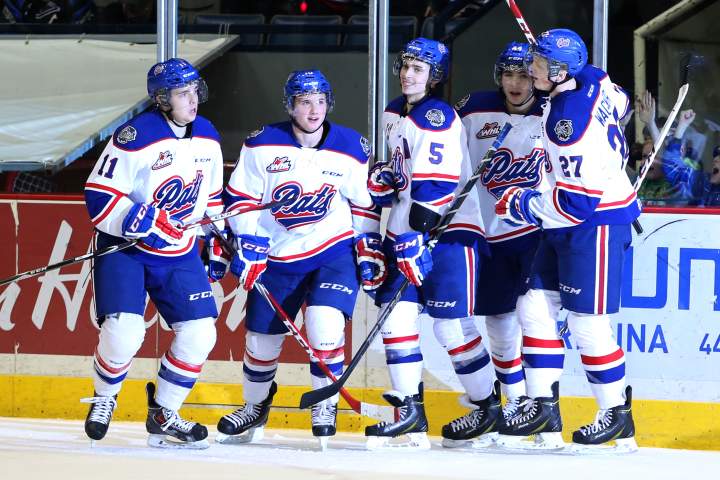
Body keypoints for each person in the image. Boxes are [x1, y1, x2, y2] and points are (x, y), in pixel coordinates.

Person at [216, 69, 383, 449]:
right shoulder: (262, 143)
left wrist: (368, 243)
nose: (314, 110)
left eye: (320, 101)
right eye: (305, 102)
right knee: (261, 342)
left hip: (332, 251)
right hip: (276, 255)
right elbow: (240, 200)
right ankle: (255, 406)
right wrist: (248, 240)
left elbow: (363, 203)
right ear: (290, 106)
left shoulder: (351, 146)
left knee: (325, 326)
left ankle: (325, 405)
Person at [494, 29, 640, 452]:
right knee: (534, 306)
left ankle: (616, 414)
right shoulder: (595, 78)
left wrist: (521, 202)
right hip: (570, 220)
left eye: (540, 64)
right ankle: (543, 406)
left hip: (595, 223)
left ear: (561, 72)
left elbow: (576, 204)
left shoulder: (567, 125)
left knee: (587, 324)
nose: (531, 69)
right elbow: (623, 101)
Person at [82, 58, 225, 449]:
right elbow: (99, 195)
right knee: (124, 334)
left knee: (200, 333)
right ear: (162, 99)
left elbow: (212, 198)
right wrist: (136, 220)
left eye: (195, 91)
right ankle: (104, 397)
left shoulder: (208, 134)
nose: (193, 100)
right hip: (126, 249)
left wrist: (217, 237)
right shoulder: (136, 135)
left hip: (179, 251)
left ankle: (164, 413)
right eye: (182, 94)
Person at [363, 37, 486, 450]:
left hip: (447, 233)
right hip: (405, 233)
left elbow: (437, 187)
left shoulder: (436, 117)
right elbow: (405, 173)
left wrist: (415, 234)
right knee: (395, 321)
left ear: (434, 77)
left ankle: (485, 407)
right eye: (405, 66)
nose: (407, 74)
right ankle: (410, 415)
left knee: (451, 326)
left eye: (418, 69)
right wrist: (387, 179)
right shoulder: (394, 111)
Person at [443, 41, 549, 447]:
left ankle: (541, 411)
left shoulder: (554, 112)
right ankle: (513, 406)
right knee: (500, 325)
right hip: (489, 234)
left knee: (535, 320)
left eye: (524, 75)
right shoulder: (472, 109)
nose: (515, 83)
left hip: (534, 235)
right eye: (508, 75)